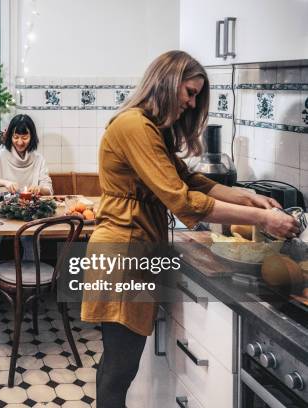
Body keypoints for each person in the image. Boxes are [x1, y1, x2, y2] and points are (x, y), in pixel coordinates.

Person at [81, 50, 299, 408]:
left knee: (118, 365)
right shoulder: (134, 126)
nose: (191, 102)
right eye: (190, 92)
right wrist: (264, 219)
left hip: (134, 249)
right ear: (167, 82)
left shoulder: (153, 129)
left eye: (197, 94)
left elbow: (190, 180)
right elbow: (181, 200)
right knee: (119, 369)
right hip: (123, 253)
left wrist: (247, 197)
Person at [0, 114, 53, 312]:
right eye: (16, 137)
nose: (20, 142)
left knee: (30, 239)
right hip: (1, 208)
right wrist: (5, 183)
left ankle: (28, 289)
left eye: (24, 138)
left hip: (27, 210)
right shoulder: (0, 155)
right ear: (10, 136)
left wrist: (38, 188)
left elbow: (48, 188)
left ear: (31, 137)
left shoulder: (38, 159)